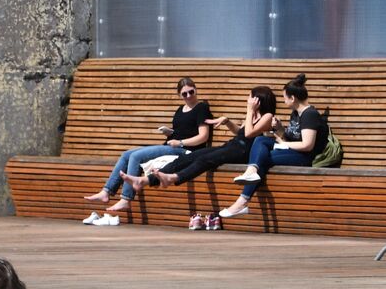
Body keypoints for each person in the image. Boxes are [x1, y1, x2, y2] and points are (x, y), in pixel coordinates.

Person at [83, 77, 212, 217]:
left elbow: (203, 137)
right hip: (173, 146)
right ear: (179, 95)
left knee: (136, 156)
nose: (189, 96)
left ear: (196, 90)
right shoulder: (180, 109)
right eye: (184, 94)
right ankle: (106, 191)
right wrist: (170, 133)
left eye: (191, 92)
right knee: (126, 154)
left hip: (186, 151)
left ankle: (126, 198)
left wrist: (180, 142)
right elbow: (184, 130)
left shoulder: (201, 108)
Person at [121, 86, 277, 194]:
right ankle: (145, 180)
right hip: (233, 145)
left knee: (205, 159)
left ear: (257, 100)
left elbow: (250, 134)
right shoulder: (253, 115)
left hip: (243, 153)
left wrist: (250, 111)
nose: (248, 99)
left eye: (250, 97)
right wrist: (227, 121)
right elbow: (241, 132)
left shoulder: (267, 116)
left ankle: (174, 177)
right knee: (190, 156)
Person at [220, 74, 330, 220]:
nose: (284, 101)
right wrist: (279, 129)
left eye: (285, 98)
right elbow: (293, 137)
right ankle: (251, 172)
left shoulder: (310, 114)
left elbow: (307, 145)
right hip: (293, 151)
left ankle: (242, 202)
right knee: (260, 140)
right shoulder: (296, 114)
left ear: (293, 98)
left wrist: (285, 143)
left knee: (262, 160)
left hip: (304, 157)